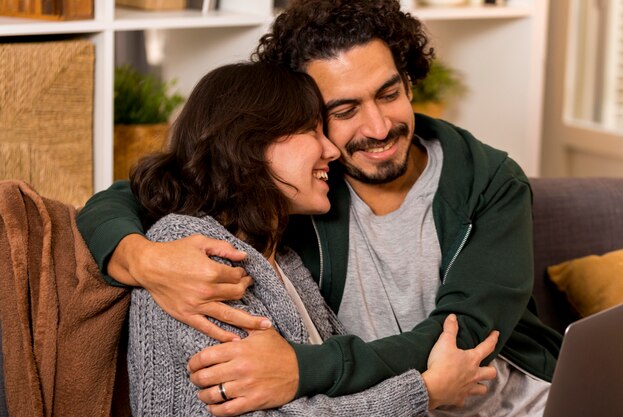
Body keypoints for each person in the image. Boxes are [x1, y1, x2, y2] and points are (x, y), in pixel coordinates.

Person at [76, 1, 563, 416]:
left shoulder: (491, 182)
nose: (377, 127)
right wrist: (144, 259)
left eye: (389, 94)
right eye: (344, 111)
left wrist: (300, 368)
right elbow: (145, 189)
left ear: (410, 84)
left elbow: (459, 340)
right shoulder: (294, 197)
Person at [124, 61, 498, 416]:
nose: (331, 150)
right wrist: (426, 391)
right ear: (250, 144)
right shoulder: (189, 249)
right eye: (311, 131)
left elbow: (334, 391)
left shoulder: (282, 257)